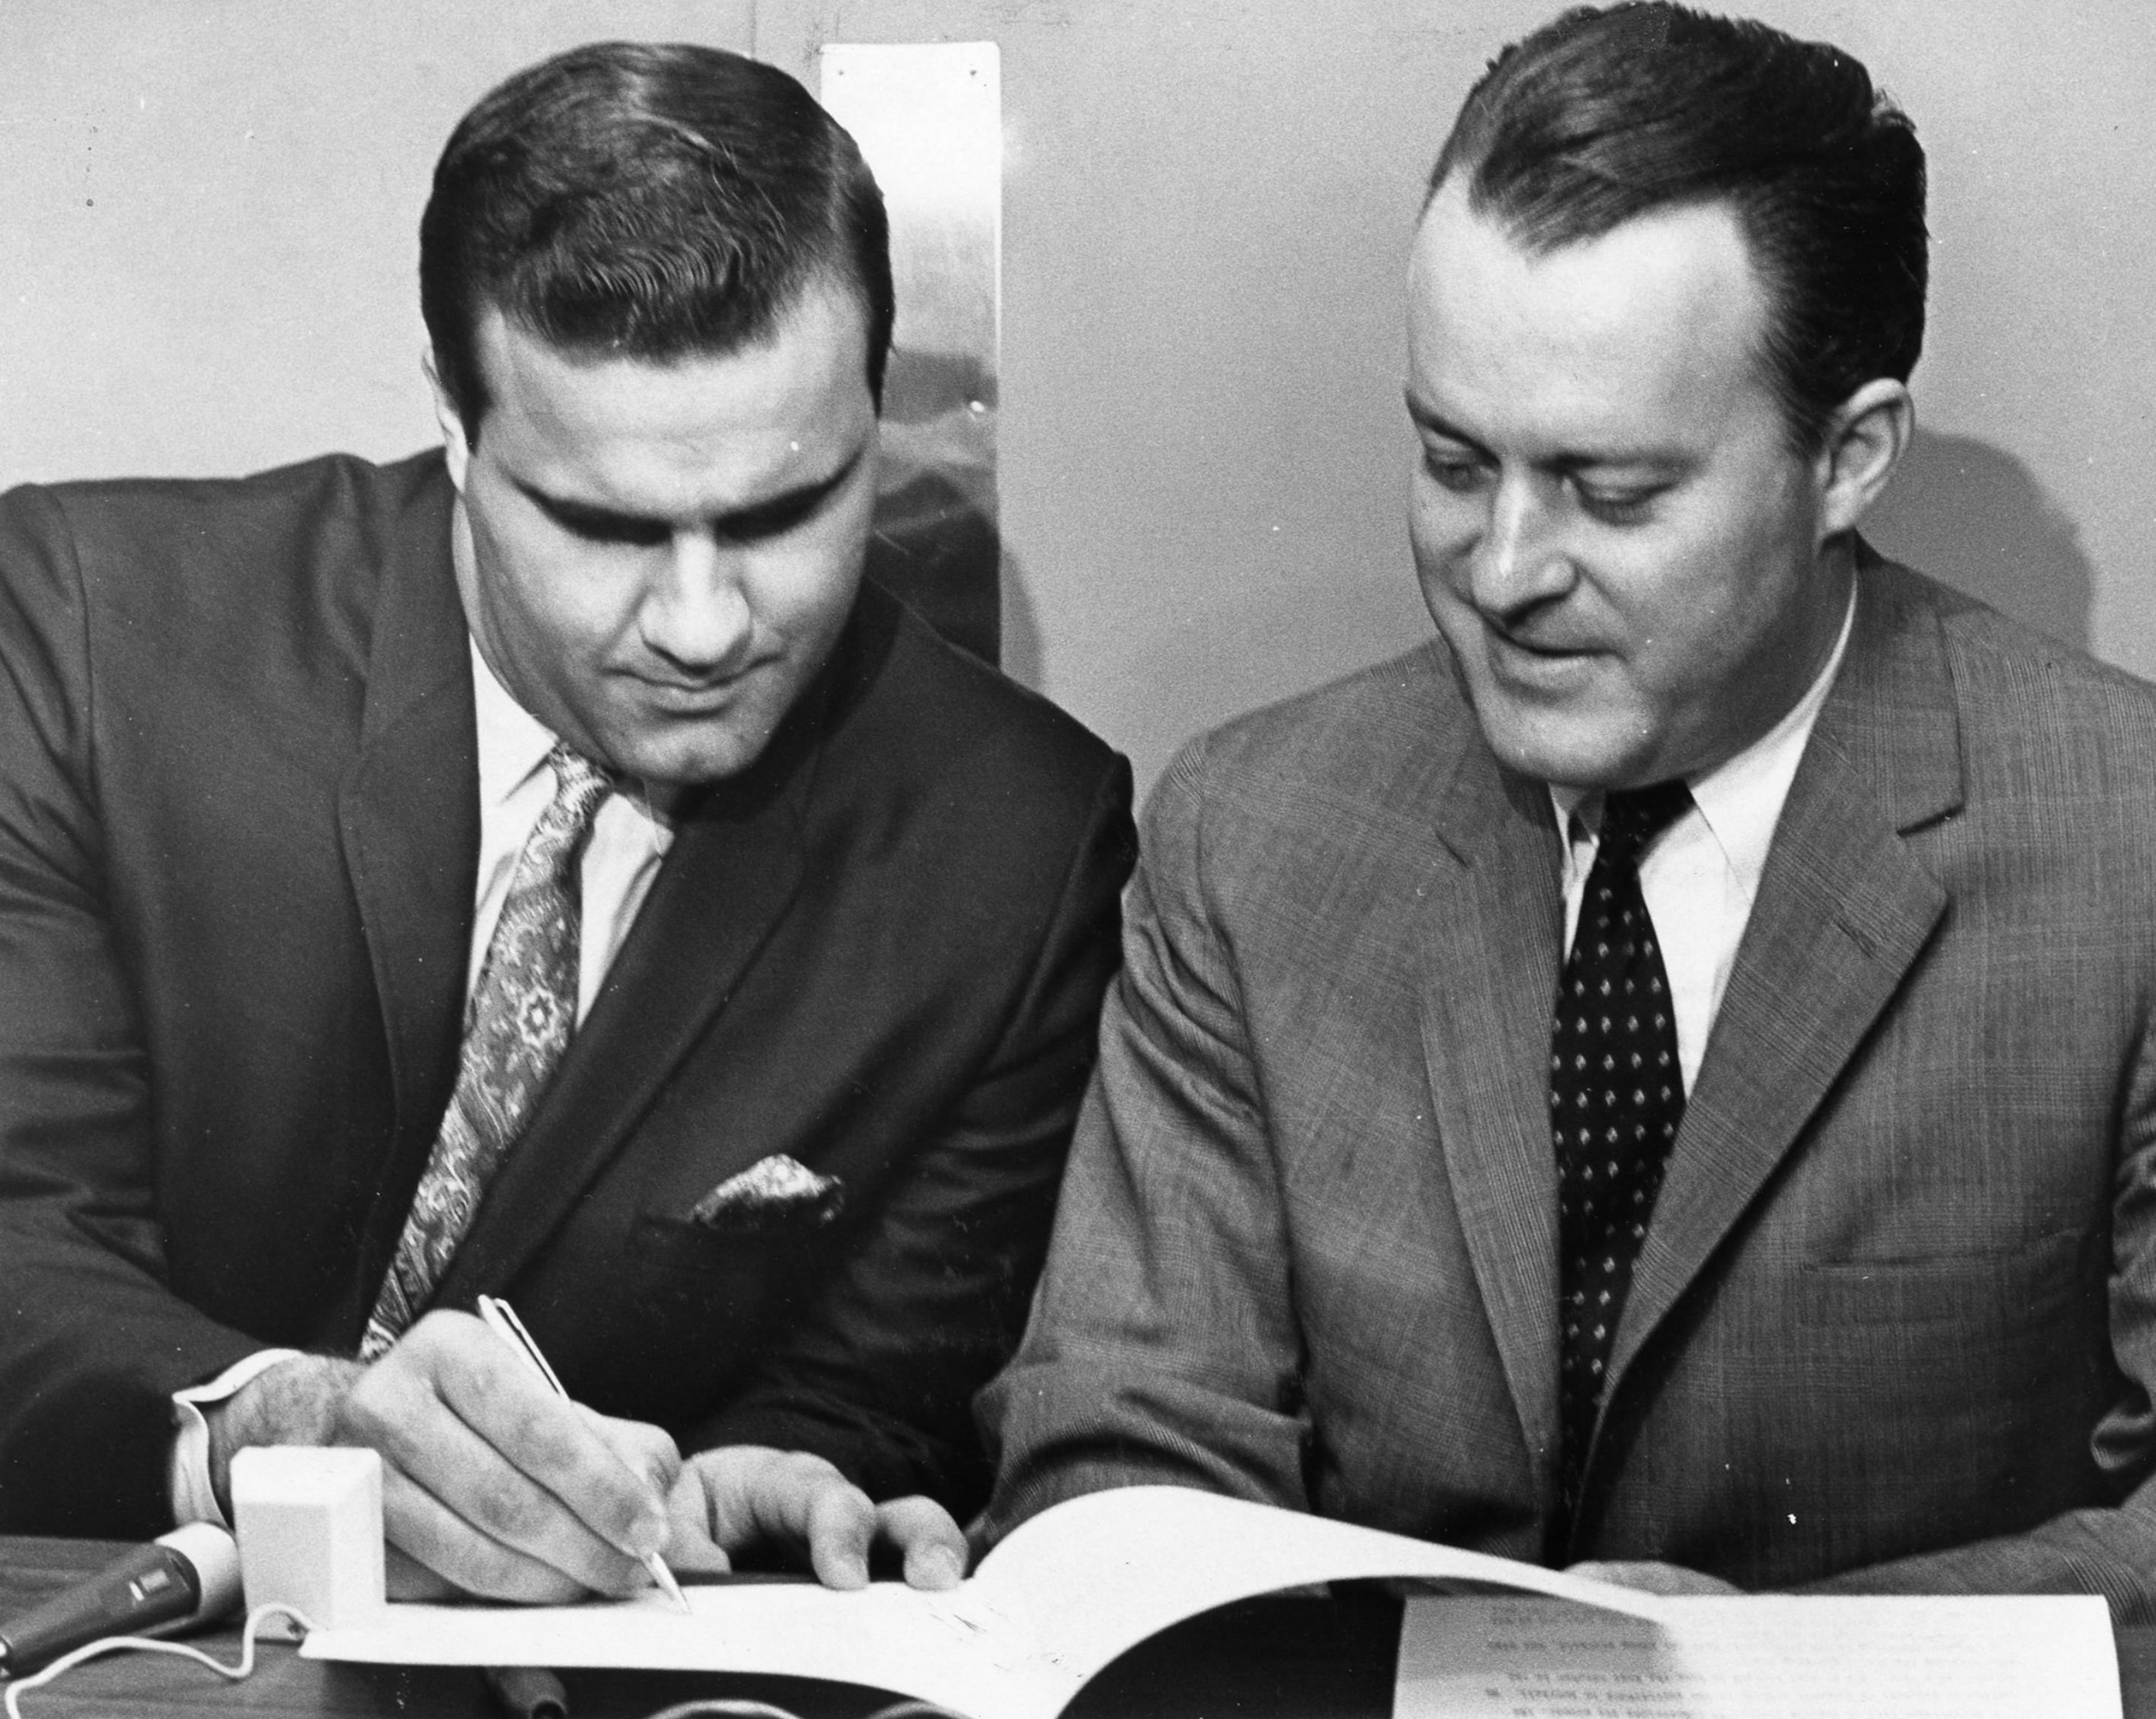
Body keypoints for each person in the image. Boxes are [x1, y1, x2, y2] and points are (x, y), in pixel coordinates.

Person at [975, 2, 2156, 1617]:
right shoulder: (1255, 837)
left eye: (1611, 492)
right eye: (1455, 464)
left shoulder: (2127, 846)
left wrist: (1782, 1678)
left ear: (1851, 459)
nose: (1507, 572)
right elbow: (1119, 1451)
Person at [0, 42, 1134, 1604]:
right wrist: (264, 1419)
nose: (701, 619)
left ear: (877, 415)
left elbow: (876, 1385)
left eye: (787, 512)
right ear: (456, 433)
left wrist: (769, 1473)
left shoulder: (1020, 838)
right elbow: (13, 1237)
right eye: (601, 525)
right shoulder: (84, 631)